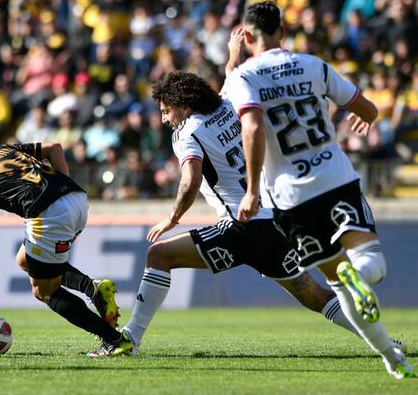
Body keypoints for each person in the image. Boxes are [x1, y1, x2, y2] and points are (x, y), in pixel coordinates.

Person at [122, 70, 405, 355]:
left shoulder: (186, 133)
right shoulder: (228, 105)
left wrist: (172, 218)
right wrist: (234, 54)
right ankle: (384, 342)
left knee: (158, 255)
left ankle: (130, 338)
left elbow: (190, 180)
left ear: (184, 105)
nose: (164, 119)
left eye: (166, 111)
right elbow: (229, 78)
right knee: (313, 294)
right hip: (274, 222)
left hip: (241, 226)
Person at [224, 0, 414, 380]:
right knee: (371, 262)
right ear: (282, 31)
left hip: (290, 198)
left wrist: (252, 191)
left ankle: (392, 357)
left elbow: (251, 124)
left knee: (337, 283)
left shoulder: (243, 77)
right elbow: (367, 108)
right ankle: (361, 278)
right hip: (335, 179)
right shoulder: (314, 65)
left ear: (247, 38)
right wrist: (366, 117)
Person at [0, 133, 131, 356]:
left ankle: (113, 339)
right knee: (24, 259)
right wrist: (63, 195)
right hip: (77, 198)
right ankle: (93, 289)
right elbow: (54, 148)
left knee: (44, 291)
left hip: (49, 213)